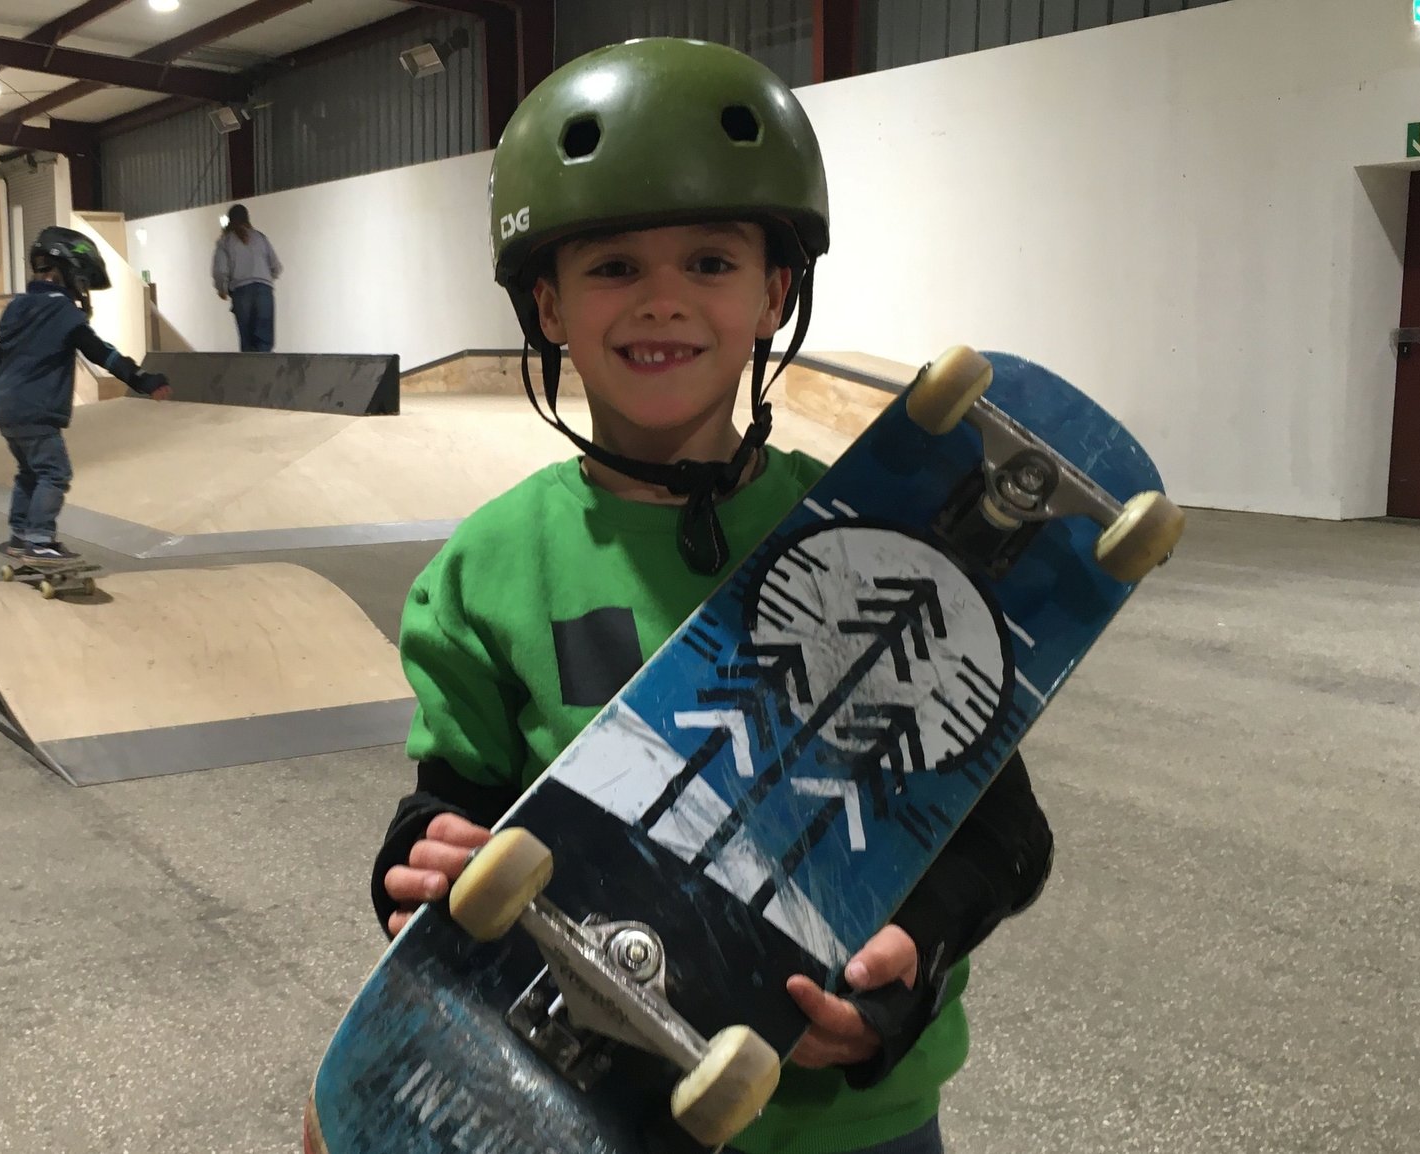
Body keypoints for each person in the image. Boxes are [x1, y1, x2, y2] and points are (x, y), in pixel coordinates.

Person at [368, 39, 1054, 1154]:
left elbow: (1002, 833)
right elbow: (459, 795)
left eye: (708, 261)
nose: (662, 302)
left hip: (847, 1122)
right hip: (598, 1105)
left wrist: (907, 960)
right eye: (611, 268)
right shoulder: (488, 567)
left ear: (773, 291)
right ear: (546, 303)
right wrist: (420, 854)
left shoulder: (870, 543)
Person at [0, 225, 172, 561]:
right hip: (35, 407)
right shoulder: (62, 312)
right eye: (82, 281)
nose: (83, 290)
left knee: (30, 472)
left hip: (6, 407)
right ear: (67, 273)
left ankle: (20, 536)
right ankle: (41, 541)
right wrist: (142, 380)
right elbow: (100, 351)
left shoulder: (18, 307)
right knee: (55, 472)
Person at [210, 204, 282, 352]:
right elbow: (276, 267)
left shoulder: (225, 241)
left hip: (241, 292)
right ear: (247, 218)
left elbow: (220, 270)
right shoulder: (260, 238)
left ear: (230, 220)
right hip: (264, 291)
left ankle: (251, 373)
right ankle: (266, 372)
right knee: (264, 342)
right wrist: (265, 278)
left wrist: (222, 288)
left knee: (247, 344)